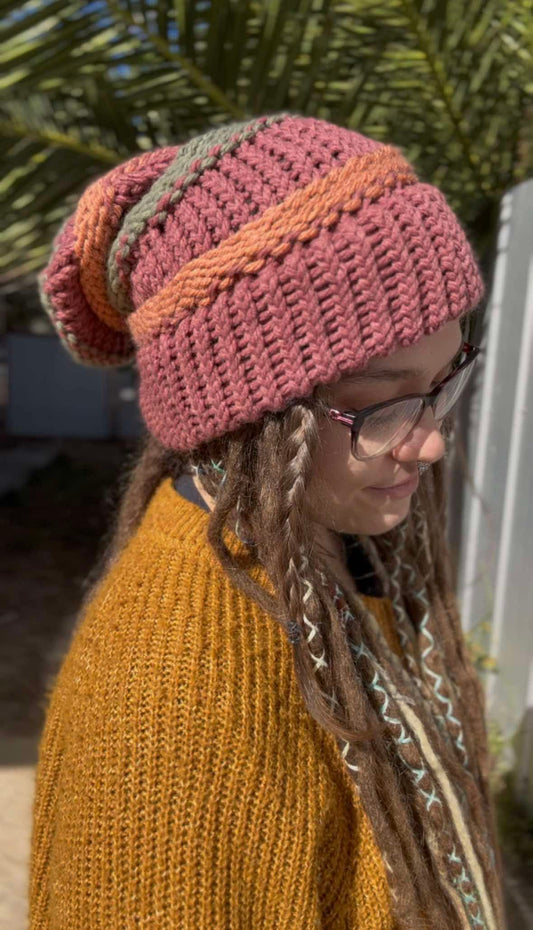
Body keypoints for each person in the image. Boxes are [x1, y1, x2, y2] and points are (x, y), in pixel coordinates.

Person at [30, 114, 506, 930]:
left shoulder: (328, 552)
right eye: (379, 403)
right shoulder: (177, 702)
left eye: (444, 382)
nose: (428, 442)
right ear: (244, 418)